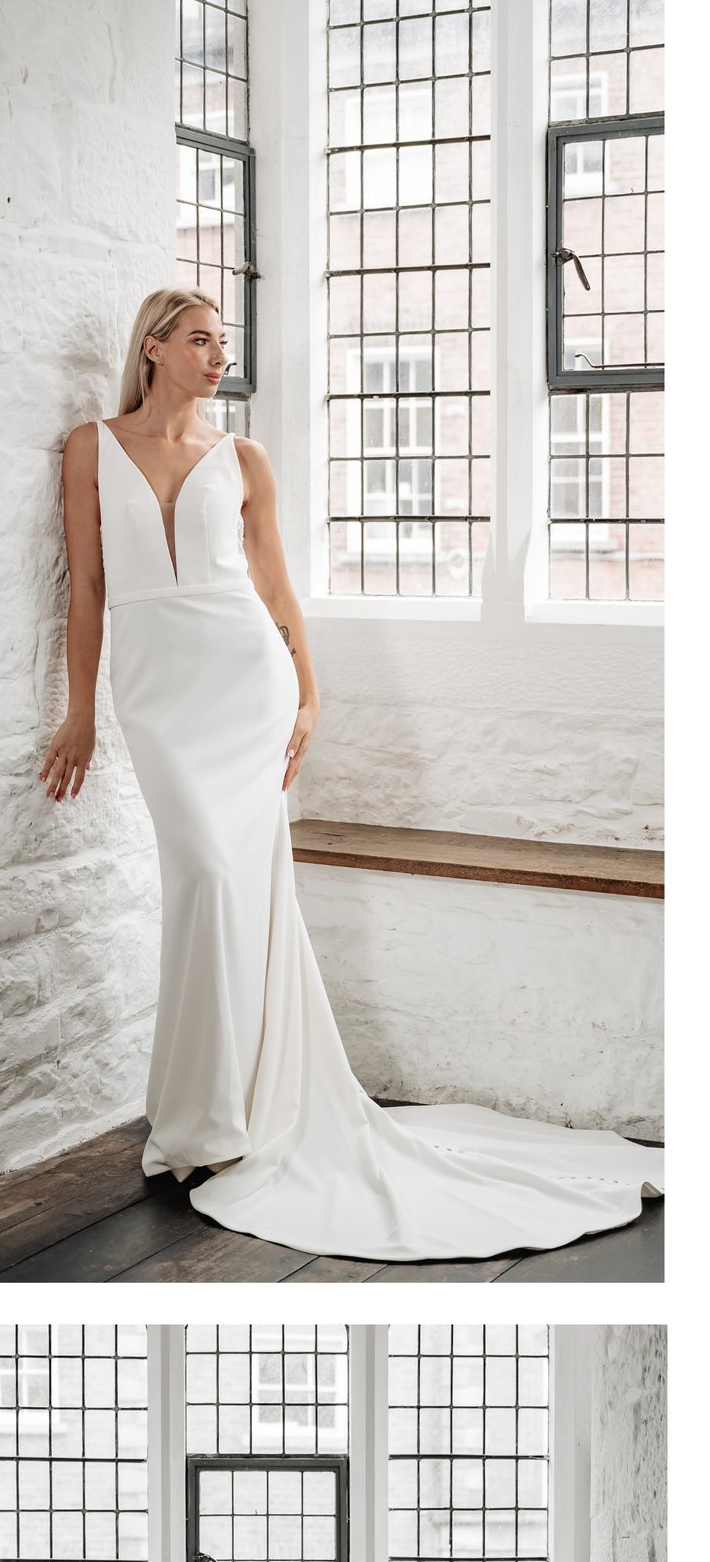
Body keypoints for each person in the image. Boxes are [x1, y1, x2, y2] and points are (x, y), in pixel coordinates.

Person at [36, 287, 659, 1262]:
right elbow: (87, 588)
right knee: (202, 873)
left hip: (245, 683)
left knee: (229, 885)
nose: (216, 356)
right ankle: (206, 1109)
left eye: (222, 343)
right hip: (154, 691)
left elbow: (276, 589)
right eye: (199, 340)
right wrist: (77, 711)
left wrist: (310, 695)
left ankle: (208, 1122)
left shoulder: (241, 460)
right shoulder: (89, 448)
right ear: (153, 346)